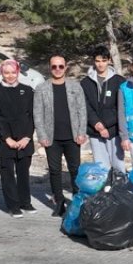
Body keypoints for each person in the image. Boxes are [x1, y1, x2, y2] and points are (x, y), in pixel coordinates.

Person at [34, 54, 88, 216]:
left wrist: (81, 132)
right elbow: (38, 114)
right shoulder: (41, 88)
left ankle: (77, 202)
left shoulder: (75, 86)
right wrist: (42, 135)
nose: (57, 69)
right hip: (52, 138)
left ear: (66, 67)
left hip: (72, 136)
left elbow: (82, 111)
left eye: (60, 66)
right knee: (54, 170)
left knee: (75, 170)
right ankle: (59, 201)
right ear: (49, 68)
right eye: (54, 66)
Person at [0, 60, 37, 217]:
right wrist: (6, 138)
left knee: (24, 172)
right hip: (5, 141)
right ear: (1, 73)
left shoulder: (28, 90)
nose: (10, 75)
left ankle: (25, 202)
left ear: (17, 72)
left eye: (13, 72)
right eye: (6, 72)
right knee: (8, 174)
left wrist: (27, 137)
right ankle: (13, 205)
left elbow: (32, 116)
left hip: (24, 139)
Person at [80, 46, 125, 172]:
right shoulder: (85, 83)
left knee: (118, 165)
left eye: (104, 60)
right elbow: (85, 105)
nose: (101, 64)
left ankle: (119, 189)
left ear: (109, 60)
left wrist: (106, 125)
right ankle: (103, 190)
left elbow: (121, 107)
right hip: (95, 130)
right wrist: (97, 124)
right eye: (98, 61)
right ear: (93, 61)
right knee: (100, 166)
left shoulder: (119, 81)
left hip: (114, 130)